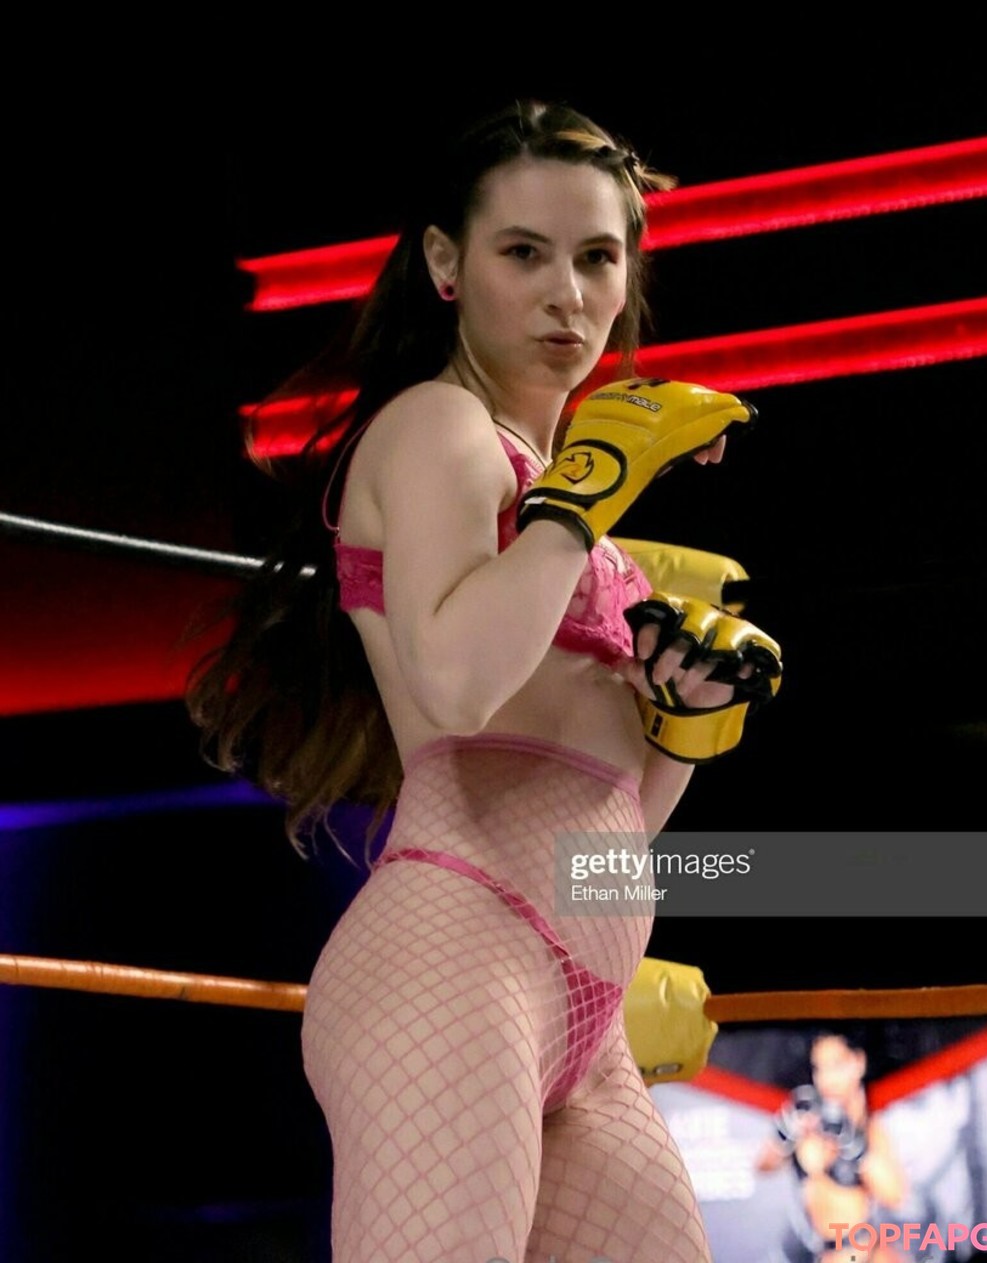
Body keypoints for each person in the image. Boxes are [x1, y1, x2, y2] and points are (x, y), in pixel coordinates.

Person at [188, 98, 780, 1263]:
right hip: (453, 962)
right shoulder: (438, 429)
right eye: (525, 253)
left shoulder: (568, 511)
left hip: (578, 1010)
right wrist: (584, 497)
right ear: (446, 265)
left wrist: (684, 721)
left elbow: (610, 827)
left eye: (597, 258)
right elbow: (457, 688)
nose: (569, 295)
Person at [756, 1029, 908, 1262]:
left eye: (836, 1065)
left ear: (858, 1063)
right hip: (821, 1253)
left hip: (863, 1253)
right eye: (819, 1068)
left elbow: (895, 1195)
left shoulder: (869, 1127)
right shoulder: (809, 1120)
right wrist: (785, 1131)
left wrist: (852, 1143)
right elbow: (763, 1166)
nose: (827, 1078)